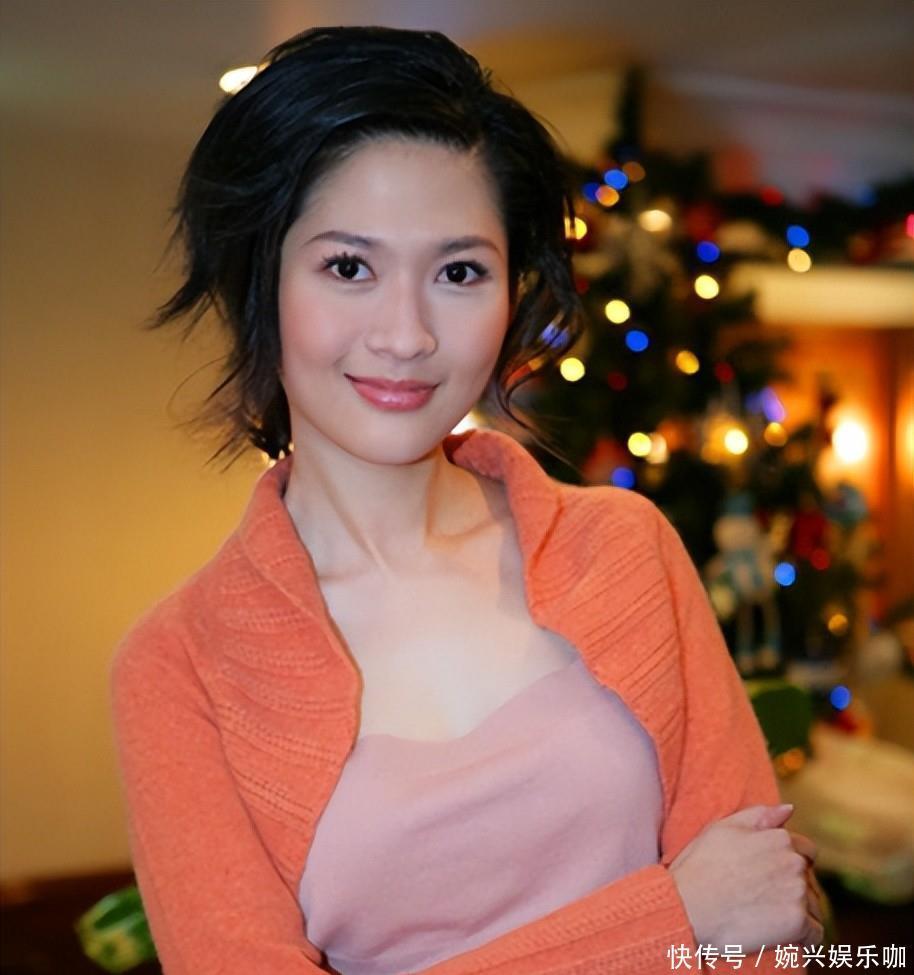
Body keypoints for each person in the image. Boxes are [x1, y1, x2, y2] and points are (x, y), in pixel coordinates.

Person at [109, 25, 824, 975]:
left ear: (512, 293)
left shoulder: (624, 547)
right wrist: (670, 919)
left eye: (459, 272)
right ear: (260, 281)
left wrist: (718, 920)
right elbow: (716, 913)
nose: (406, 335)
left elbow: (764, 926)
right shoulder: (181, 666)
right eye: (349, 266)